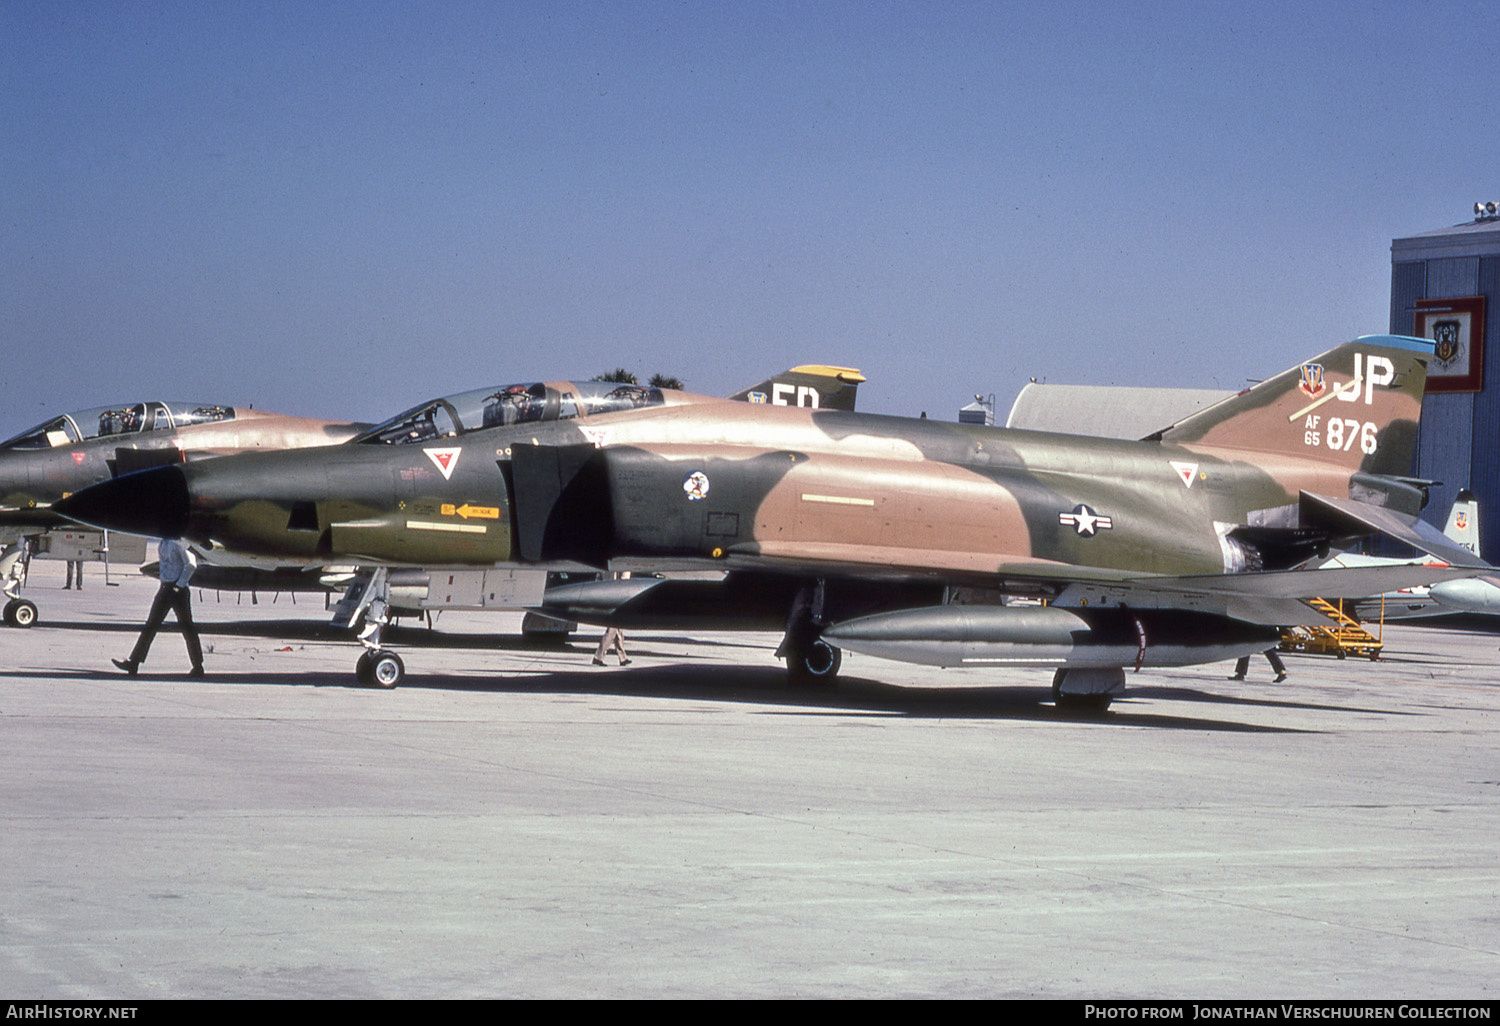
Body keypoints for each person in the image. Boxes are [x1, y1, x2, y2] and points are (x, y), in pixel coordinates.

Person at [113, 538, 203, 677]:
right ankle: (134, 662)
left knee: (186, 627)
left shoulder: (179, 542)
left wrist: (179, 586)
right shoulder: (164, 543)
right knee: (151, 625)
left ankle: (198, 666)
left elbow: (191, 564)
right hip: (166, 588)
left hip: (177, 590)